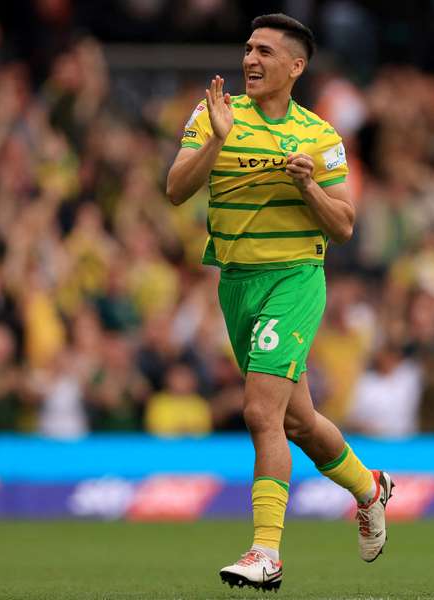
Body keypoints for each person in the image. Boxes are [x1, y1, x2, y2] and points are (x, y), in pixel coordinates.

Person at [165, 13, 393, 593]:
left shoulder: (320, 136)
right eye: (248, 48)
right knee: (298, 420)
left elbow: (344, 226)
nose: (251, 60)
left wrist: (309, 186)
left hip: (294, 278)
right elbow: (174, 190)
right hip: (236, 282)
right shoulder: (215, 115)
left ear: (296, 67)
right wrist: (215, 139)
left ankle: (266, 552)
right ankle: (369, 489)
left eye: (265, 51)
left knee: (259, 413)